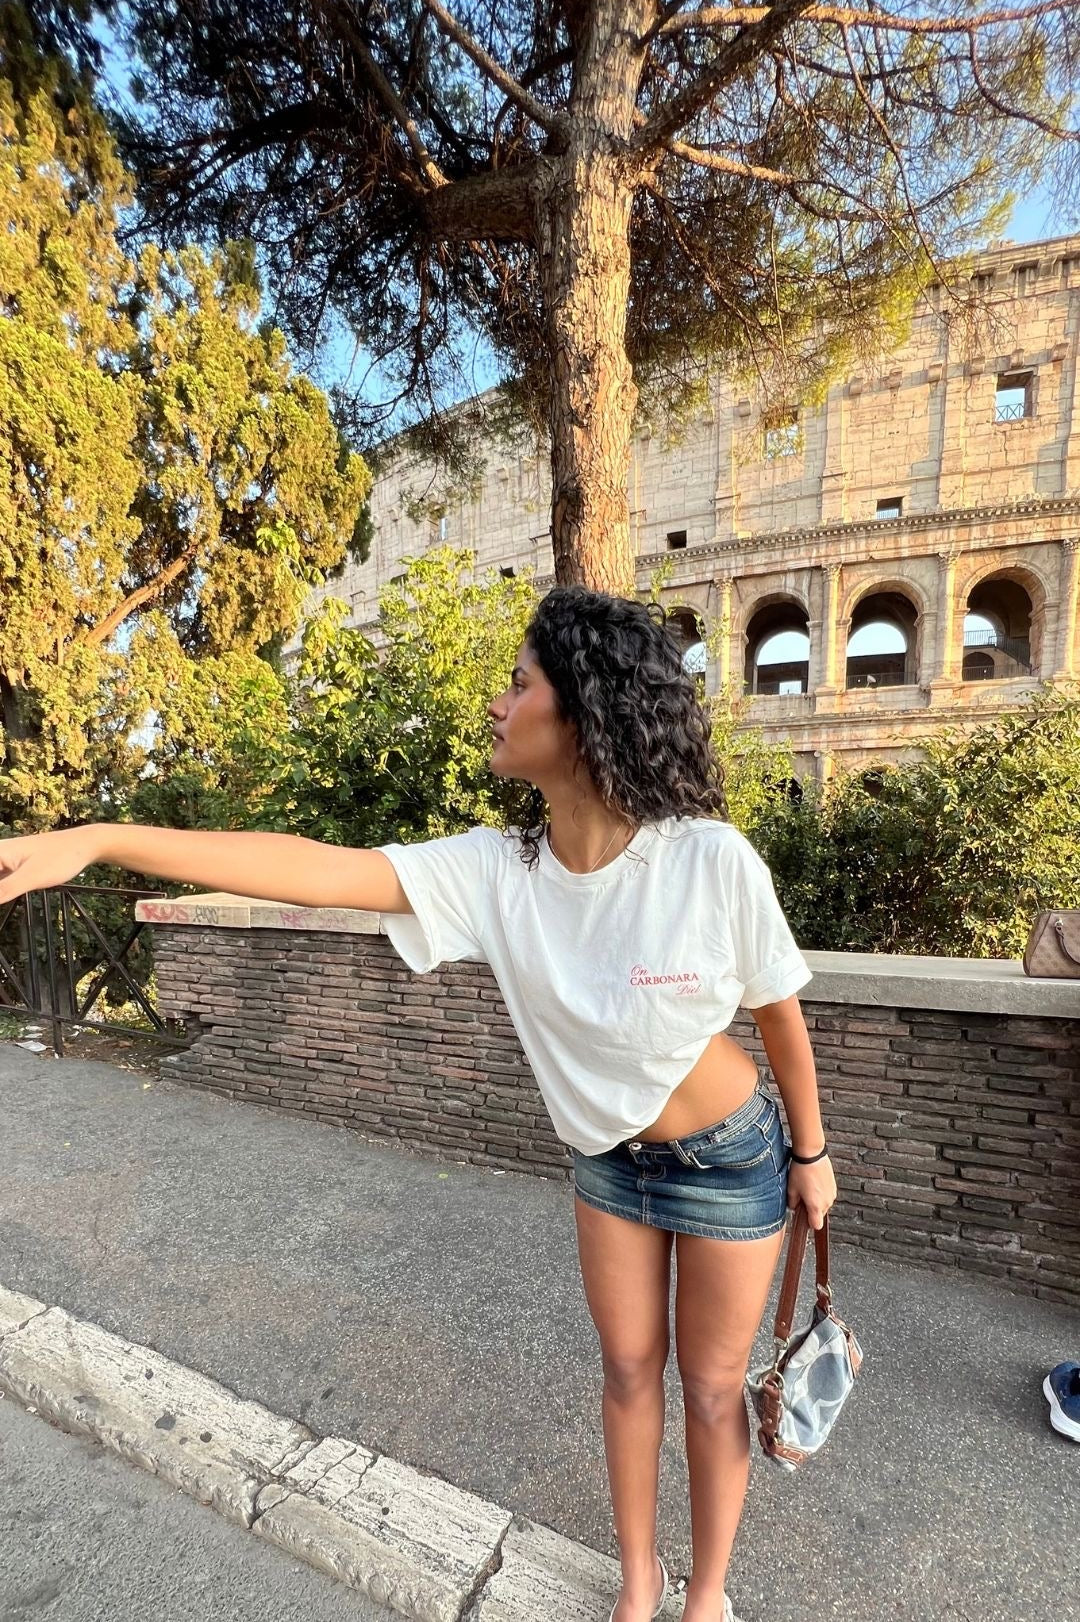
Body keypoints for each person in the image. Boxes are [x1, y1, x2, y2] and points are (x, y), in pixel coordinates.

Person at [0, 586, 837, 1622]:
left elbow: (779, 1011)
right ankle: (639, 1576)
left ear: (581, 712)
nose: (497, 701)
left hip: (729, 1158)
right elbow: (312, 869)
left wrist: (812, 1151)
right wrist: (101, 837)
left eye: (519, 682)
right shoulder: (497, 872)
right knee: (628, 1369)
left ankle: (706, 1593)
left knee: (711, 1389)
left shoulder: (706, 858)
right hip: (607, 1161)